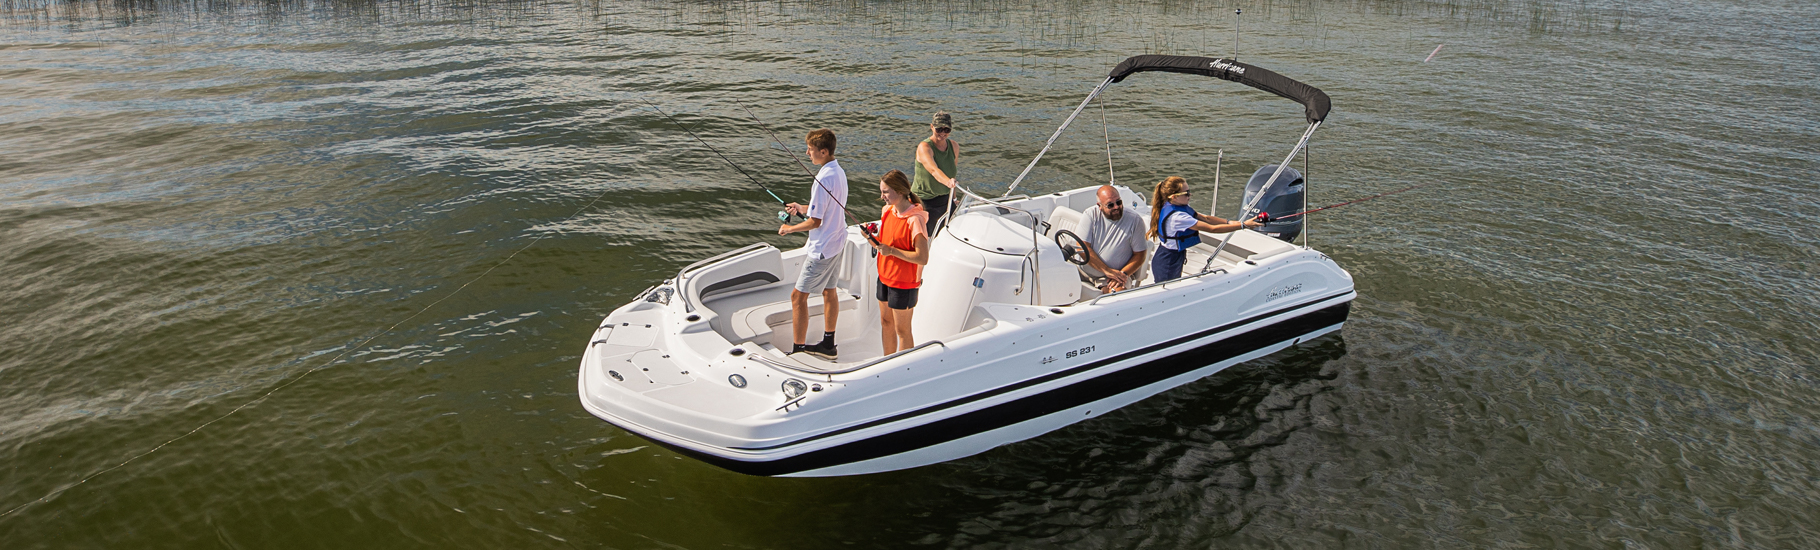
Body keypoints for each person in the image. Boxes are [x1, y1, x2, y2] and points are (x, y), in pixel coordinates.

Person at [778, 129, 848, 360]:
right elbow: (823, 209)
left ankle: (798, 351)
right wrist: (801, 208)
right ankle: (829, 344)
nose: (807, 153)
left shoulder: (822, 179)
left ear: (823, 151)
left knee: (798, 298)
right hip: (837, 242)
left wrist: (790, 228)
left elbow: (815, 222)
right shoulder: (838, 172)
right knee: (830, 292)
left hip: (823, 249)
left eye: (811, 149)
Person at [1147, 176, 1262, 283]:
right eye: (1186, 193)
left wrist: (1232, 222)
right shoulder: (1178, 218)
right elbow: (1212, 229)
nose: (1190, 195)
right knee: (1168, 291)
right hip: (1168, 260)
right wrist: (1243, 226)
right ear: (1174, 197)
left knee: (1174, 286)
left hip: (1174, 255)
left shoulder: (1176, 206)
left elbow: (1206, 218)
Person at [870, 170, 930, 356]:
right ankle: (887, 360)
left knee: (902, 330)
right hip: (885, 276)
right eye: (882, 191)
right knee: (886, 322)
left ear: (900, 191)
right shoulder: (887, 211)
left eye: (886, 192)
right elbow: (884, 244)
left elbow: (923, 257)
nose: (882, 196)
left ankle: (905, 369)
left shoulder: (915, 220)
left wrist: (892, 251)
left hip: (903, 282)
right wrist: (870, 237)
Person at [1073, 185, 1148, 292]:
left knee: (1117, 294)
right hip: (1083, 270)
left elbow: (1140, 255)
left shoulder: (1135, 221)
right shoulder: (1090, 215)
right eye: (1110, 205)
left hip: (1113, 277)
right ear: (1099, 206)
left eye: (1119, 202)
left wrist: (1123, 274)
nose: (1116, 207)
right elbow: (1082, 246)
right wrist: (1106, 270)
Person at [910, 111, 959, 236]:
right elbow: (933, 170)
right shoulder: (924, 147)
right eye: (939, 129)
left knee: (952, 232)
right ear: (932, 127)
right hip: (924, 201)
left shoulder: (953, 146)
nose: (942, 133)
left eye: (946, 129)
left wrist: (954, 198)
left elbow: (952, 174)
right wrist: (948, 182)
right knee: (926, 237)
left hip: (945, 199)